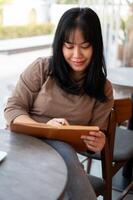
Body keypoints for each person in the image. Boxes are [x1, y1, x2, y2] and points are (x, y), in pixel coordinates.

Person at [4, 7, 114, 200]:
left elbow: (94, 137)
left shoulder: (103, 88)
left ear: (96, 45)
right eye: (69, 46)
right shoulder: (42, 68)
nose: (77, 54)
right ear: (59, 45)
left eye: (85, 45)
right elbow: (13, 109)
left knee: (63, 153)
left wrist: (98, 143)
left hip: (61, 159)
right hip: (23, 147)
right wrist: (44, 127)